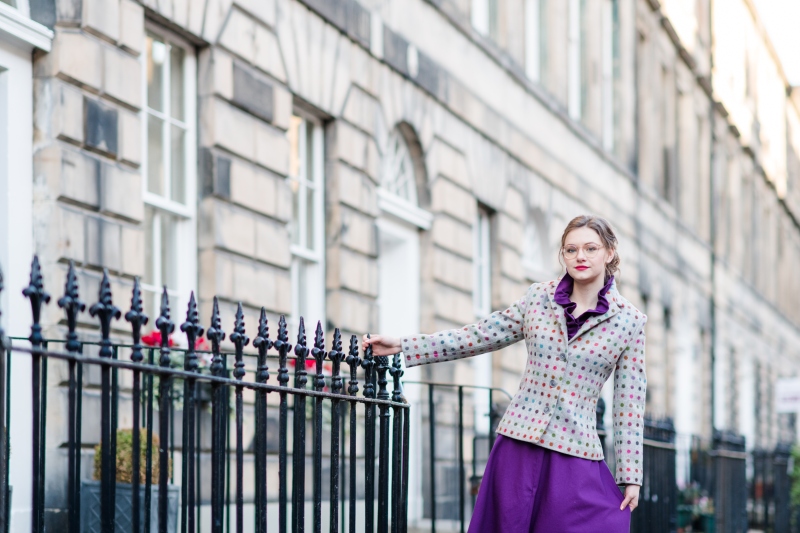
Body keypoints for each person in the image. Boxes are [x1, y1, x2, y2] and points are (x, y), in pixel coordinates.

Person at [363, 215, 646, 532]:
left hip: (575, 453)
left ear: (609, 253)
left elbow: (629, 405)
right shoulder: (538, 298)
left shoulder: (630, 322)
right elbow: (479, 336)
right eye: (571, 249)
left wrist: (630, 475)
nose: (580, 257)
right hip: (518, 445)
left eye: (590, 248)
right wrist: (404, 344)